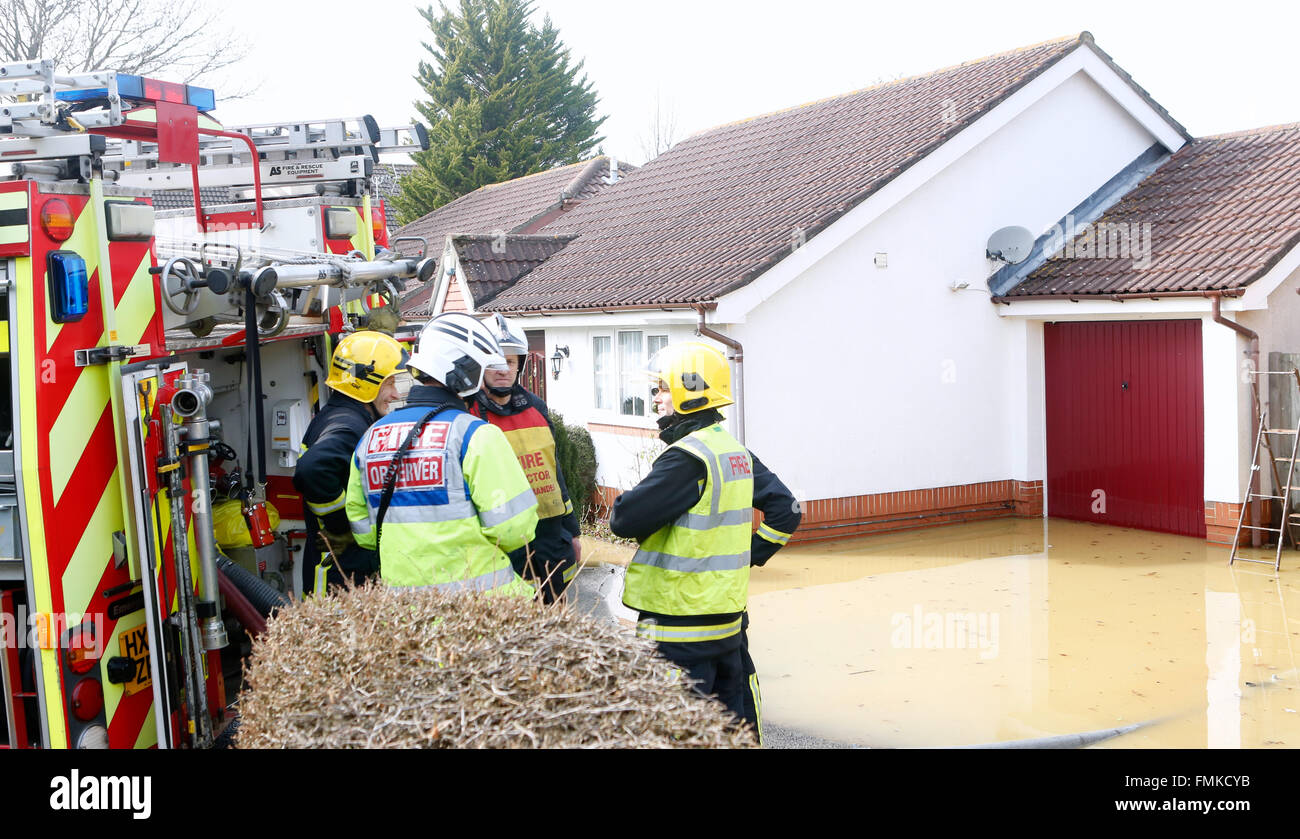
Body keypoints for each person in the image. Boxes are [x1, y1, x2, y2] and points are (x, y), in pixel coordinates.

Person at [610, 341, 800, 743]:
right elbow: (788, 509)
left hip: (676, 631)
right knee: (734, 733)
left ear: (688, 390)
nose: (656, 399)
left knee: (674, 734)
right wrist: (746, 556)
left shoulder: (686, 458)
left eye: (662, 388)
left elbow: (623, 519)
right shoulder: (733, 453)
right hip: (727, 626)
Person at [345, 312, 537, 594]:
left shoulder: (371, 437)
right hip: (481, 613)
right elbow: (514, 529)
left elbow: (364, 532)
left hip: (403, 615)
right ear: (465, 371)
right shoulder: (476, 435)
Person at [468, 314, 582, 603]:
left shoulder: (536, 407)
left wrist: (573, 532)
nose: (503, 369)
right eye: (495, 361)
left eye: (510, 362)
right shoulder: (467, 415)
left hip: (551, 536)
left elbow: (554, 472)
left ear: (519, 365)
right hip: (503, 543)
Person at [294, 330, 407, 595]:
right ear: (365, 383)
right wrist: (343, 527)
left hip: (345, 570)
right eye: (390, 384)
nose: (395, 394)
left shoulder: (341, 416)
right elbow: (312, 470)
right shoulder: (349, 426)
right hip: (339, 573)